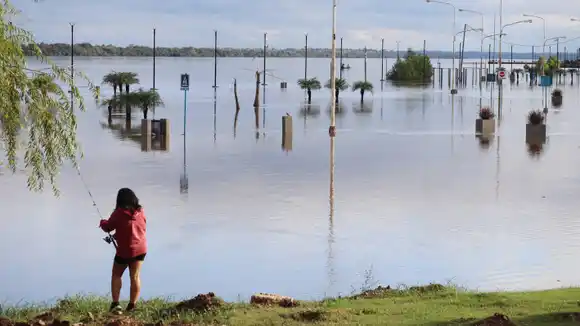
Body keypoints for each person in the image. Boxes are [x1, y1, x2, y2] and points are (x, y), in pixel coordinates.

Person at [99, 188, 147, 313]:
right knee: (135, 276)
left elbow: (107, 227)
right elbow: (134, 229)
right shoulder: (141, 212)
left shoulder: (119, 213)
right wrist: (116, 236)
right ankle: (132, 306)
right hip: (141, 249)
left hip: (125, 251)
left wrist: (102, 222)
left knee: (116, 275)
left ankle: (116, 305)